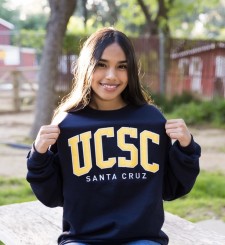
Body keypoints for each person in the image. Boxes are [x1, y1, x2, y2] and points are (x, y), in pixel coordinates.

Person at [26, 27, 201, 245]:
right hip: (82, 239)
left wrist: (186, 148)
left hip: (142, 239)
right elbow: (53, 196)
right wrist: (38, 155)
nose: (111, 75)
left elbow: (171, 189)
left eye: (122, 67)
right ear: (86, 66)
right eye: (101, 64)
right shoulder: (67, 124)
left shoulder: (151, 120)